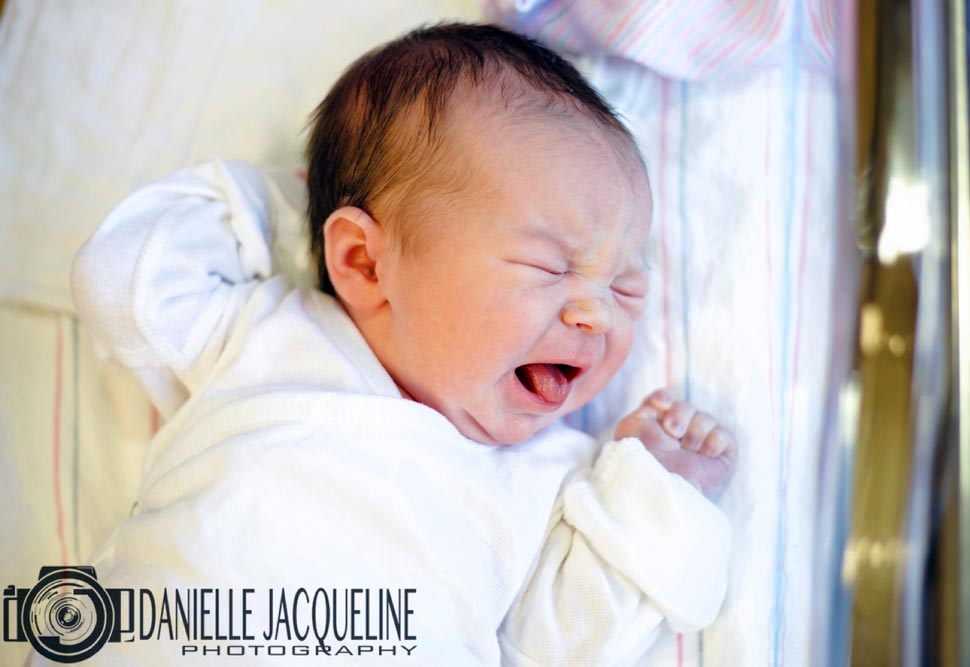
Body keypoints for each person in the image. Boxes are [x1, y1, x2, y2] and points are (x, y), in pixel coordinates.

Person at [67, 23, 735, 665]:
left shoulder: (552, 472)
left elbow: (558, 643)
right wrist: (289, 209)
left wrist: (654, 493)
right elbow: (121, 277)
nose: (596, 313)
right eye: (550, 267)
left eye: (625, 286)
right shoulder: (273, 333)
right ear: (362, 261)